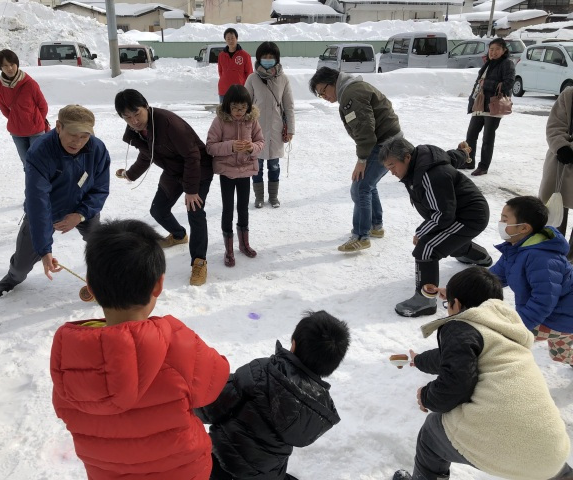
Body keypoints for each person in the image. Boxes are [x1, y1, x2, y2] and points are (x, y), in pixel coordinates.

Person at [50, 219, 230, 480]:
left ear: (90, 286)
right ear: (158, 285)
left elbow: (64, 410)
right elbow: (217, 378)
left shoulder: (70, 358)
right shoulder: (176, 341)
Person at [393, 267, 572, 480]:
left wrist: (426, 395)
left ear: (456, 304)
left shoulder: (460, 327)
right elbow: (455, 357)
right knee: (539, 456)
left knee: (431, 433)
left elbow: (455, 385)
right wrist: (419, 360)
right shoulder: (506, 330)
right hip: (554, 453)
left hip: (512, 453)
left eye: (448, 304)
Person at [195, 310, 350, 480]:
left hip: (219, 463)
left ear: (293, 344)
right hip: (267, 474)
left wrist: (191, 406)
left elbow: (213, 404)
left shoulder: (263, 372)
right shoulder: (316, 407)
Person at [0, 105, 110, 297]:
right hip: (47, 210)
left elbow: (100, 188)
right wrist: (45, 250)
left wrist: (80, 215)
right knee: (22, 264)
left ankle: (103, 280)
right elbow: (38, 201)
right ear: (58, 127)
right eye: (73, 134)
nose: (78, 142)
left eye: (84, 136)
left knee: (101, 246)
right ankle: (14, 277)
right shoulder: (40, 151)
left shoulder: (97, 148)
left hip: (83, 208)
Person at [379, 137, 492, 317]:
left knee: (427, 248)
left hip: (469, 217)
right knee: (446, 240)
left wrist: (422, 232)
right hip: (458, 214)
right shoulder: (425, 160)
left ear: (407, 157)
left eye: (393, 166)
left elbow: (443, 215)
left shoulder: (429, 174)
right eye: (388, 168)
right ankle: (480, 258)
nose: (392, 172)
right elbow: (450, 157)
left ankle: (426, 300)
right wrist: (463, 153)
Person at [114, 89, 214, 286]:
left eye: (137, 114)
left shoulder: (169, 124)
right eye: (127, 117)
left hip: (197, 169)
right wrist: (130, 174)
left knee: (195, 212)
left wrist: (191, 190)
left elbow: (192, 156)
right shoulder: (137, 131)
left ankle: (199, 262)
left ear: (146, 106)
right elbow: (147, 154)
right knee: (158, 209)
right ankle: (179, 235)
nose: (134, 121)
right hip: (173, 171)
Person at [309, 67, 402, 253]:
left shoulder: (351, 94)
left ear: (333, 81)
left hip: (385, 144)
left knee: (360, 186)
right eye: (320, 95)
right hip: (389, 140)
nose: (324, 96)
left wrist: (362, 159)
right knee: (368, 184)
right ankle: (375, 225)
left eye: (323, 91)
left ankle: (361, 235)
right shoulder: (351, 89)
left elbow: (365, 131)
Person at [489, 196, 573, 366]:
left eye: (505, 220)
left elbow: (543, 302)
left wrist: (517, 327)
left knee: (501, 341)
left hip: (560, 316)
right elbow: (493, 278)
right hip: (554, 313)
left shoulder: (541, 259)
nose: (500, 223)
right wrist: (459, 289)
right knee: (559, 355)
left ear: (524, 228)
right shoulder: (516, 247)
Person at [206, 85, 264, 267]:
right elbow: (210, 146)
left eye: (242, 108)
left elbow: (260, 141)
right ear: (227, 106)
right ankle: (228, 248)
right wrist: (230, 146)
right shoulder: (220, 121)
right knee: (228, 209)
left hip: (246, 170)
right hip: (227, 172)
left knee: (243, 208)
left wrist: (251, 148)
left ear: (248, 107)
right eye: (234, 108)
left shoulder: (252, 121)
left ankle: (244, 243)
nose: (239, 112)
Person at [245, 41, 294, 209]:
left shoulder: (283, 79)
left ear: (276, 59)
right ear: (259, 58)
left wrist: (291, 129)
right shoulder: (252, 78)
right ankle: (259, 197)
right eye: (264, 57)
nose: (267, 59)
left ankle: (273, 197)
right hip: (255, 130)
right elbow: (245, 105)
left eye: (271, 57)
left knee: (274, 165)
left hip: (276, 129)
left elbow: (289, 106)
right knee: (256, 165)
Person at [464, 37, 515, 176]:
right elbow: (478, 83)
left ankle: (483, 166)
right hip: (480, 103)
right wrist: (472, 100)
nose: (493, 52)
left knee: (488, 138)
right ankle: (469, 161)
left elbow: (508, 83)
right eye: (491, 49)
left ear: (504, 50)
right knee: (471, 135)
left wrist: (486, 84)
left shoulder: (507, 64)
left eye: (497, 49)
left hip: (493, 105)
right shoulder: (488, 63)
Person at [0, 49, 49, 170]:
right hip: (17, 132)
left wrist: (35, 120)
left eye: (12, 64)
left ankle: (44, 187)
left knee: (38, 162)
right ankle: (32, 188)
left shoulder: (29, 83)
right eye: (5, 66)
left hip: (36, 130)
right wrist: (16, 119)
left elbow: (43, 106)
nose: (9, 68)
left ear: (17, 64)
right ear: (0, 67)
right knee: (26, 164)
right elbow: (3, 108)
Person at [539, 85, 573, 261]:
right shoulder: (570, 94)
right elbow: (555, 125)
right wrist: (561, 146)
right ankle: (550, 255)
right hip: (563, 163)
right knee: (553, 211)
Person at [217, 28, 253, 102]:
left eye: (232, 38)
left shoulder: (245, 55)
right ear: (225, 40)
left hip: (239, 91)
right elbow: (220, 72)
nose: (230, 40)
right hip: (224, 90)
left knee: (239, 112)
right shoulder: (221, 55)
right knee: (224, 112)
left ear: (236, 38)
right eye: (228, 38)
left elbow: (249, 73)